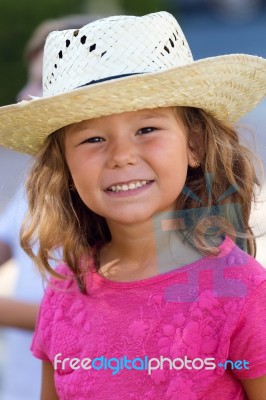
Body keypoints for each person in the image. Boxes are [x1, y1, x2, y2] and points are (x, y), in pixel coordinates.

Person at [0, 11, 265, 400]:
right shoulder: (64, 288)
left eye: (146, 129)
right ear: (66, 167)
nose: (122, 155)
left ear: (194, 145)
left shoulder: (242, 291)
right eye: (92, 139)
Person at [0, 14, 102, 400]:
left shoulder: (104, 197)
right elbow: (11, 242)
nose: (21, 95)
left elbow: (90, 316)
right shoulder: (41, 179)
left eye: (40, 82)